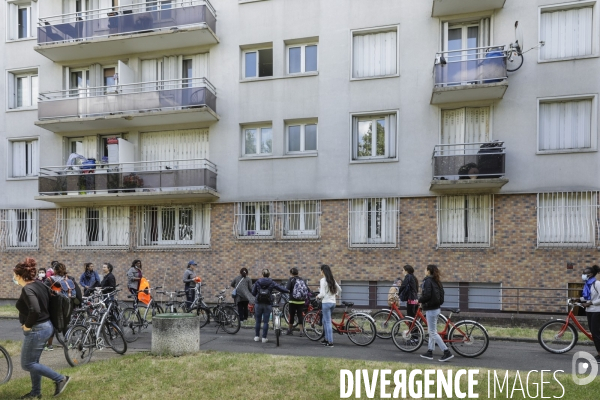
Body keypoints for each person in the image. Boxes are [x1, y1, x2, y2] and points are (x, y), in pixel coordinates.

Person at [13, 257, 70, 399]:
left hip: (37, 329)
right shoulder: (39, 284)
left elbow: (35, 309)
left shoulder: (28, 289)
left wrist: (27, 326)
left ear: (19, 276)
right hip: (46, 327)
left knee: (27, 364)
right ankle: (35, 393)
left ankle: (60, 379)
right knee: (34, 362)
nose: (13, 277)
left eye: (14, 275)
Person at [44, 263, 82, 352]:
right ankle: (69, 343)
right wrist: (77, 304)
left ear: (55, 270)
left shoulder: (50, 280)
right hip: (68, 305)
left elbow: (44, 293)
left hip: (54, 306)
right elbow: (78, 293)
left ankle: (49, 345)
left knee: (52, 324)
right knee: (66, 323)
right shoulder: (70, 279)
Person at [419, 264, 453, 362]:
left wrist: (419, 300)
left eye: (425, 269)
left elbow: (427, 295)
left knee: (432, 332)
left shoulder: (427, 281)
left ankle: (446, 352)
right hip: (437, 308)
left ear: (428, 271)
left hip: (431, 309)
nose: (424, 270)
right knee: (432, 330)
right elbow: (442, 294)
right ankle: (430, 351)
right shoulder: (437, 281)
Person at [251, 269, 289, 343]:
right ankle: (264, 338)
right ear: (269, 274)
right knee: (266, 322)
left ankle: (256, 337)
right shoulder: (271, 282)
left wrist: (258, 295)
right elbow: (279, 288)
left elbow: (253, 292)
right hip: (268, 303)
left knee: (258, 321)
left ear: (262, 274)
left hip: (258, 303)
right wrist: (287, 291)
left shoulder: (258, 281)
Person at [572, 265, 600, 362]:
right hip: (589, 311)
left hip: (597, 311)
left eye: (584, 273)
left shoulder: (597, 284)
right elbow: (588, 297)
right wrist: (578, 299)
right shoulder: (587, 284)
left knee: (596, 333)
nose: (583, 275)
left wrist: (590, 303)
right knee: (593, 333)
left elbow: (596, 299)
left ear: (590, 274)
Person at [317, 265, 342, 348]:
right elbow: (340, 289)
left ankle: (330, 342)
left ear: (323, 271)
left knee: (327, 322)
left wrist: (318, 296)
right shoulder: (332, 279)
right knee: (325, 321)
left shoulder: (323, 280)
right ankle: (326, 339)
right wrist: (336, 294)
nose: (320, 272)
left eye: (321, 270)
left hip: (326, 303)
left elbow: (322, 294)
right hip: (333, 303)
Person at [286, 267, 308, 337]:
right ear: (297, 273)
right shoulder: (302, 279)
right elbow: (306, 289)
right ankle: (301, 331)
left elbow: (287, 289)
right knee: (300, 315)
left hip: (292, 300)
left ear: (291, 273)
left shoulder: (291, 279)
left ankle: (290, 330)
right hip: (301, 301)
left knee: (291, 315)